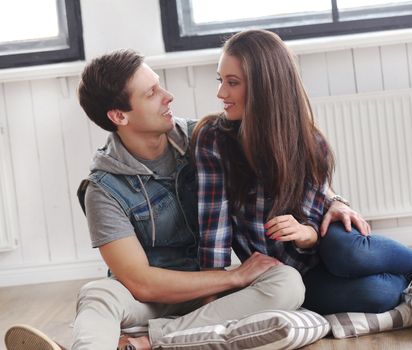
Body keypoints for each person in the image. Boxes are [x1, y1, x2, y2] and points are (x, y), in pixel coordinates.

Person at [4, 49, 354, 350]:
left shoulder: (206, 138)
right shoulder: (103, 190)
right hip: (150, 299)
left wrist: (334, 199)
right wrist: (234, 278)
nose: (168, 96)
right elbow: (139, 281)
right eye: (152, 92)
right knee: (98, 294)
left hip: (213, 291)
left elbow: (283, 161)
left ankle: (149, 342)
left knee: (288, 283)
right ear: (119, 116)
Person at [193, 29, 412, 316]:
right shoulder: (213, 140)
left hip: (324, 242)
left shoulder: (309, 143)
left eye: (232, 83)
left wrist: (302, 231)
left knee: (349, 253)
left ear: (264, 88)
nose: (221, 93)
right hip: (288, 274)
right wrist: (210, 310)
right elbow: (214, 231)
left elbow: (315, 222)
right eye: (221, 80)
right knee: (377, 294)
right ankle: (399, 270)